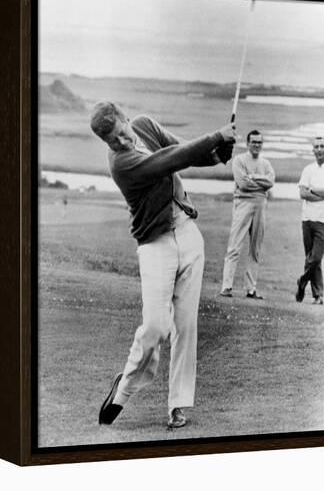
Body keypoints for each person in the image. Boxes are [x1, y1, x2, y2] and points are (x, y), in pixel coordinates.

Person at [90, 101, 236, 429]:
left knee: (186, 327)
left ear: (128, 119)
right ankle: (124, 389)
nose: (123, 141)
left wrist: (215, 155)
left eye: (123, 132)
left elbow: (180, 148)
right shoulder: (122, 164)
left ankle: (179, 405)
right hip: (156, 245)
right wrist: (215, 135)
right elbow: (167, 161)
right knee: (155, 326)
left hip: (188, 234)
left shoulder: (145, 124)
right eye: (114, 140)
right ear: (107, 143)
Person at [220, 130, 275, 299]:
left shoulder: (265, 163)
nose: (257, 145)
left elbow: (271, 181)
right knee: (234, 246)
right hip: (243, 204)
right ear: (248, 143)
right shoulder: (239, 160)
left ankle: (251, 289)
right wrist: (261, 184)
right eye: (254, 142)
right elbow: (242, 184)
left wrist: (254, 177)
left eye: (259, 142)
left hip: (260, 206)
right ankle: (226, 287)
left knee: (255, 248)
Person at [295, 137, 324, 305]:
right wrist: (315, 193)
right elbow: (302, 194)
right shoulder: (308, 169)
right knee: (311, 257)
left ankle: (302, 280)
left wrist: (312, 190)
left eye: (322, 147)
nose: (319, 150)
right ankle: (318, 295)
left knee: (316, 257)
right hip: (307, 219)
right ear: (313, 150)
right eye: (316, 147)